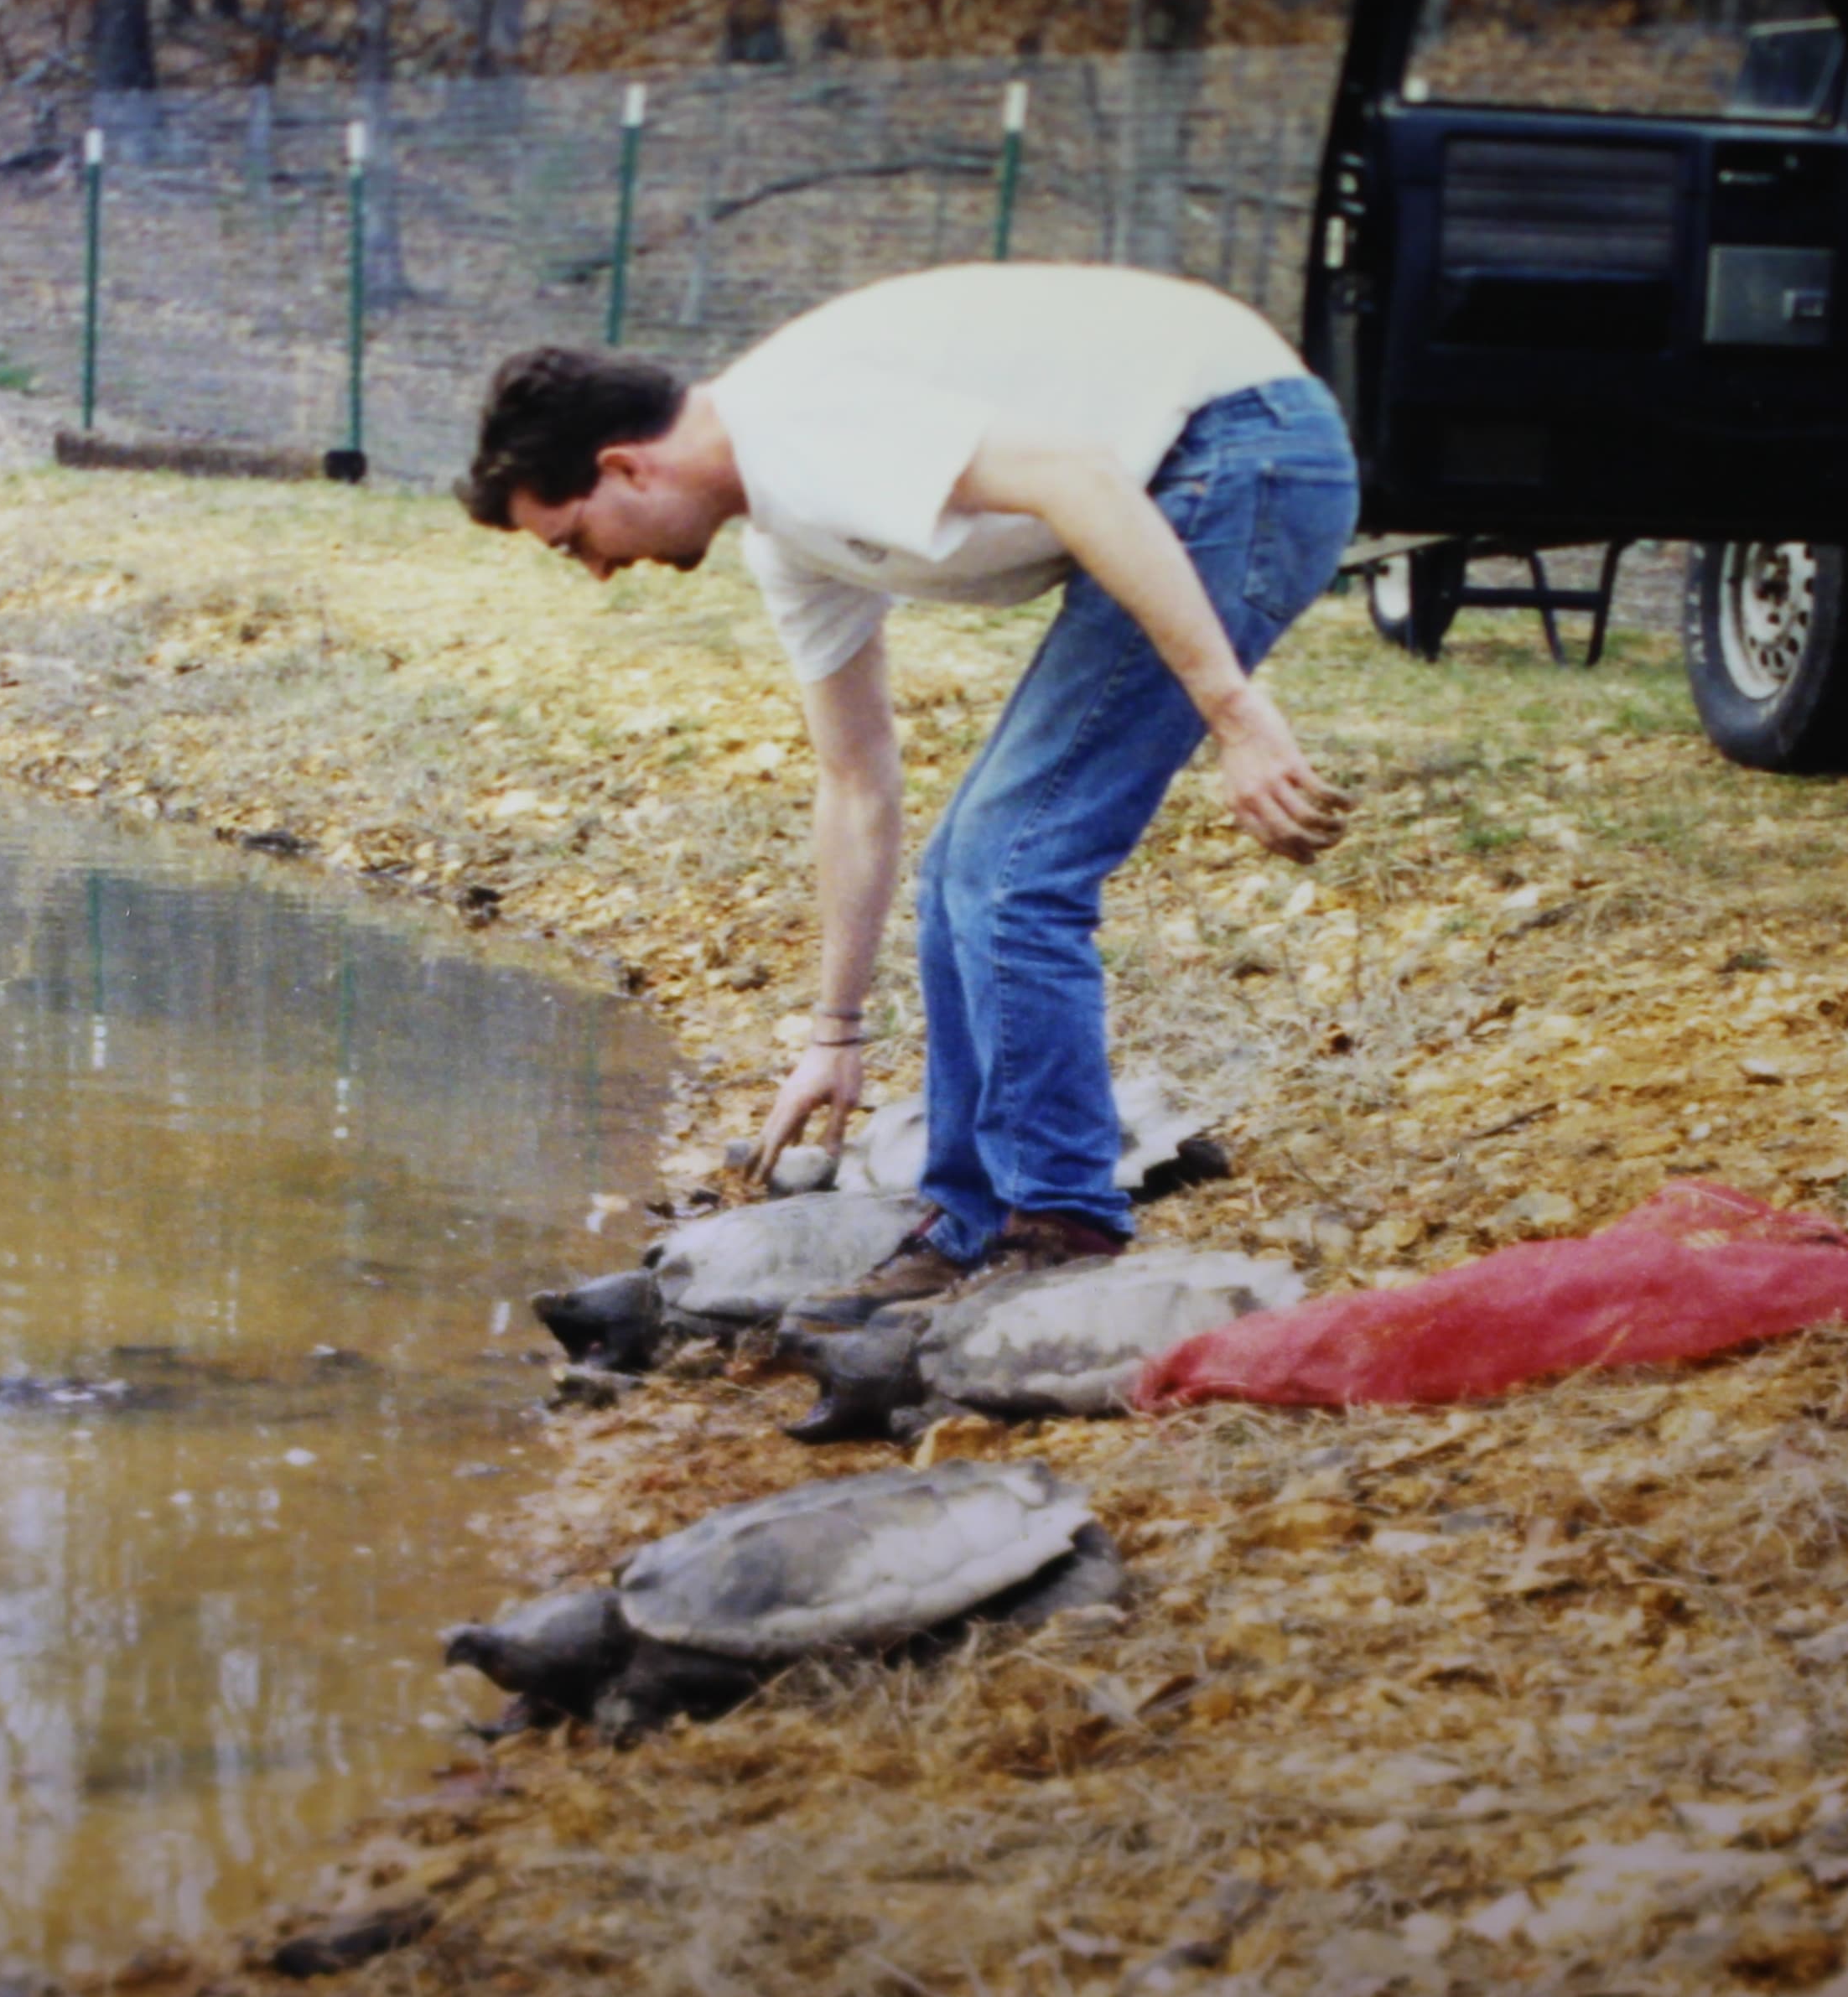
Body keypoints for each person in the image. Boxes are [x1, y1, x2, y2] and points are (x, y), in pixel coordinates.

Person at [459, 266, 1357, 1319]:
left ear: (623, 468)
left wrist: (1233, 712)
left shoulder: (797, 428)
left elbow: (1080, 478)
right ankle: (973, 1220)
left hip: (1244, 443)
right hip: (1205, 454)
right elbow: (855, 780)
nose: (599, 572)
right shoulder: (784, 528)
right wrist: (833, 1033)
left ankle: (1057, 1223)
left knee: (1015, 863)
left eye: (576, 542)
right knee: (964, 864)